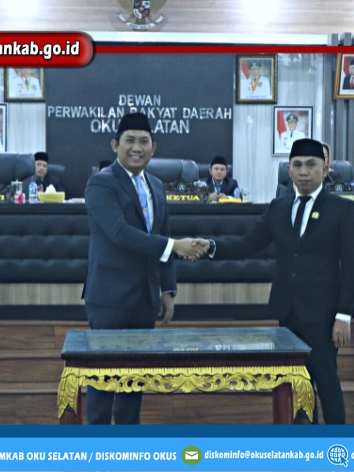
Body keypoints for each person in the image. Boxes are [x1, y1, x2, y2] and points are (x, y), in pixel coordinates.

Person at [205, 139, 354, 424]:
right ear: (289, 170)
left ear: (325, 169)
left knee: (326, 382)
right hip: (287, 310)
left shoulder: (341, 209)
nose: (304, 171)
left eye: (311, 165)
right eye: (297, 165)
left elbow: (352, 266)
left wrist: (344, 315)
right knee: (297, 383)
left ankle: (337, 444)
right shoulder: (279, 206)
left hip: (323, 313)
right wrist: (210, 247)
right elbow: (247, 244)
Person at [82, 112, 206, 424]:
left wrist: (167, 290)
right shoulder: (100, 183)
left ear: (153, 147)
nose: (136, 148)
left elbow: (161, 233)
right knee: (103, 383)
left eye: (143, 141)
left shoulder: (157, 185)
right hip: (109, 298)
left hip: (145, 299)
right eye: (130, 141)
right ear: (115, 145)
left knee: (133, 383)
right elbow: (120, 234)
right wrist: (175, 246)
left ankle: (129, 446)